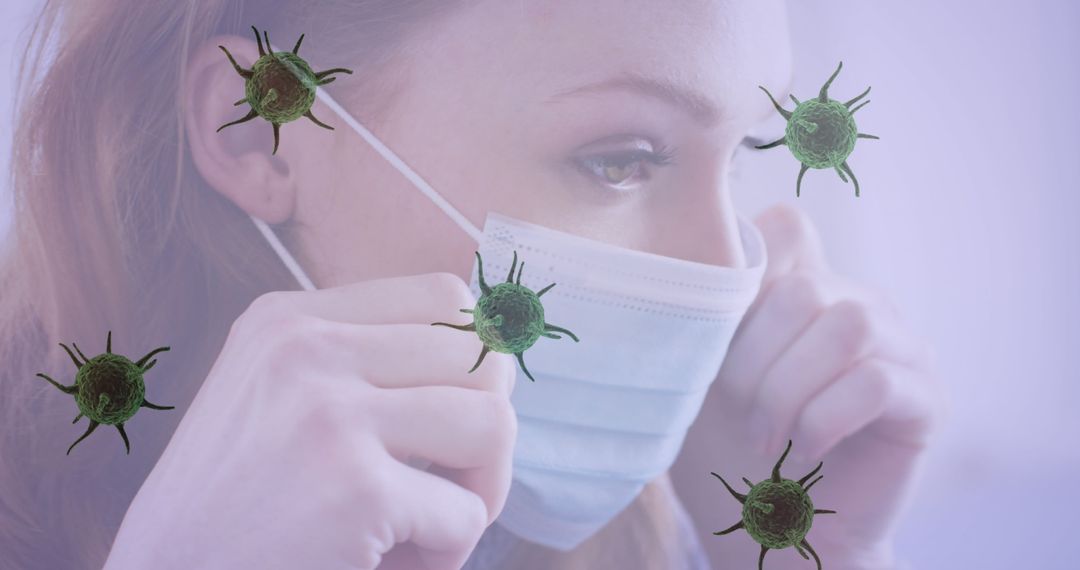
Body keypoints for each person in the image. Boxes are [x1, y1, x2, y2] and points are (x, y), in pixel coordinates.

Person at [0, 0, 942, 568]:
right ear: (262, 129)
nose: (726, 271)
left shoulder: (657, 532)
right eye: (622, 159)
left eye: (738, 158)